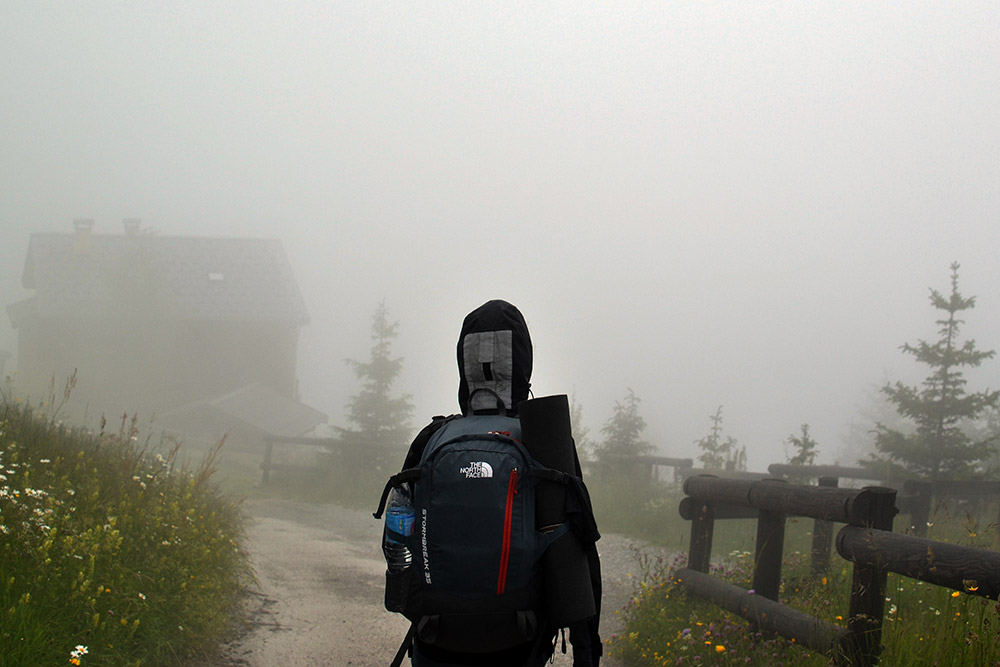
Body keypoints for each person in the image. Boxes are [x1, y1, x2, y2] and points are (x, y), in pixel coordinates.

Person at [397, 299, 602, 667]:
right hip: (519, 641)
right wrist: (586, 652)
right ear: (523, 363)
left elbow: (398, 541)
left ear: (464, 364)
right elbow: (578, 550)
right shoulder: (545, 439)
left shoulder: (431, 439)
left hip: (435, 637)